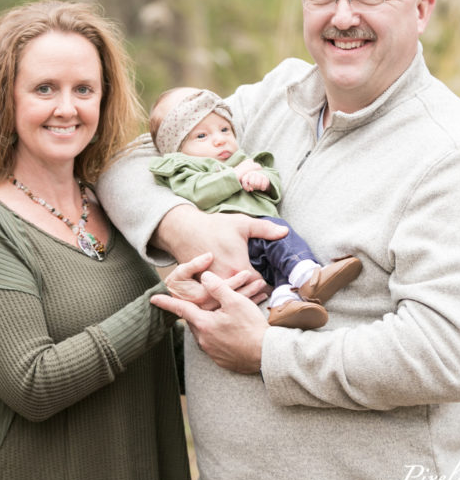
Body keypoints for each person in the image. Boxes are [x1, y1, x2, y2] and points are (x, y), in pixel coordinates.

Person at [97, 0, 460, 480]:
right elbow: (127, 159)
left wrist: (269, 352)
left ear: (422, 10)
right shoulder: (273, 101)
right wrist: (182, 225)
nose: (343, 15)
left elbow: (445, 356)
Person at [0, 0, 252, 480]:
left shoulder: (116, 209)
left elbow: (157, 360)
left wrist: (232, 312)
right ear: (4, 99)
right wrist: (163, 303)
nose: (66, 108)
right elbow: (33, 383)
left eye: (84, 90)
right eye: (44, 89)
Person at [148, 86, 363, 329]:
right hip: (236, 242)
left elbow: (272, 182)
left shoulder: (241, 160)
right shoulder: (185, 168)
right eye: (201, 136)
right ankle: (309, 276)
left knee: (278, 262)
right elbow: (197, 192)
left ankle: (284, 303)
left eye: (224, 129)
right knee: (279, 233)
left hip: (260, 245)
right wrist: (234, 177)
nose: (220, 139)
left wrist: (264, 181)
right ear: (176, 149)